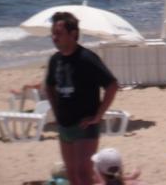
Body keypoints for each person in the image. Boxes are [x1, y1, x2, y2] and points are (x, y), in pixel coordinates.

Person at [45, 11, 119, 185]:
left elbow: (112, 85)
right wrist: (56, 111)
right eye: (53, 34)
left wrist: (98, 116)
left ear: (73, 34)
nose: (54, 38)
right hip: (64, 126)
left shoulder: (87, 58)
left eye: (59, 34)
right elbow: (49, 86)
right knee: (71, 175)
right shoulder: (55, 60)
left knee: (84, 174)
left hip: (85, 127)